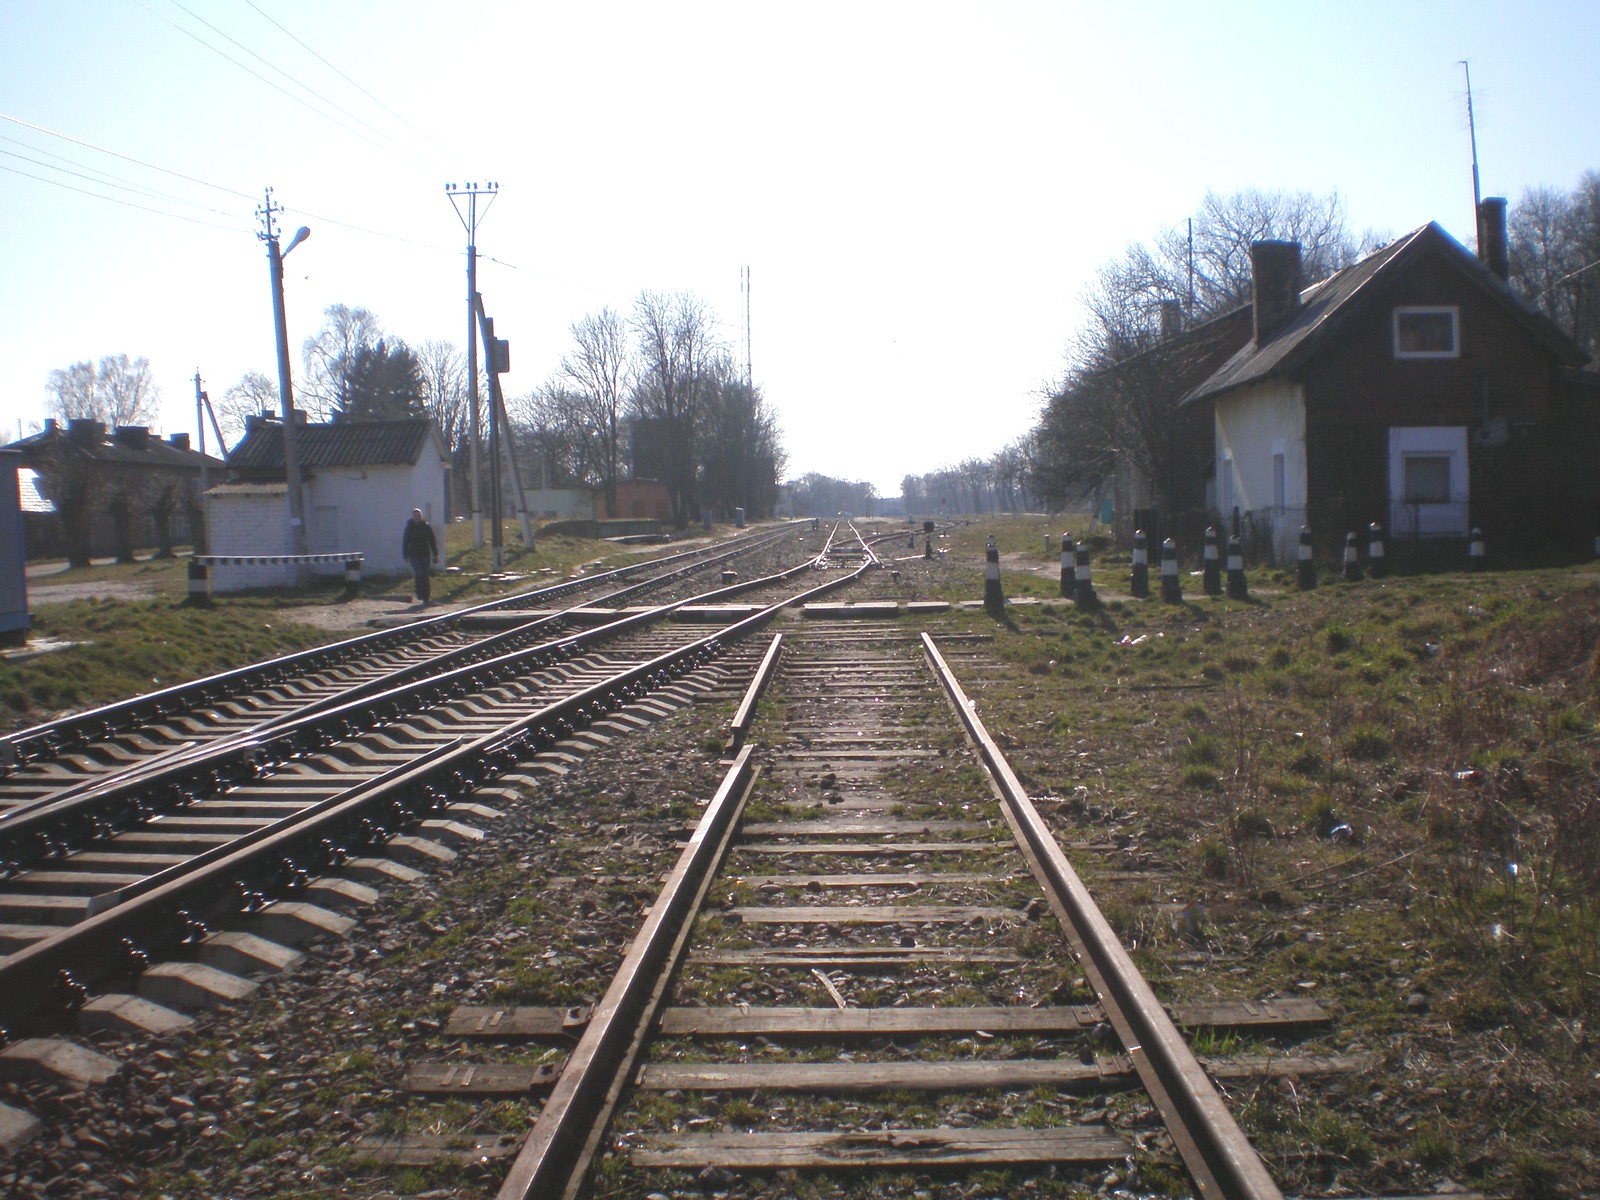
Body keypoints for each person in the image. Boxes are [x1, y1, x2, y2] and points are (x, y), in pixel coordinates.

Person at [401, 508, 438, 604]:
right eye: (415, 516)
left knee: (425, 575)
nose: (417, 517)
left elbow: (432, 541)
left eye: (419, 516)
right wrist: (405, 555)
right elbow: (405, 541)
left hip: (425, 553)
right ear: (413, 517)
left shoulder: (426, 526)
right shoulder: (410, 527)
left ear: (421, 516)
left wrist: (435, 554)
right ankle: (419, 593)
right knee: (419, 573)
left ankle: (426, 597)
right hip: (414, 554)